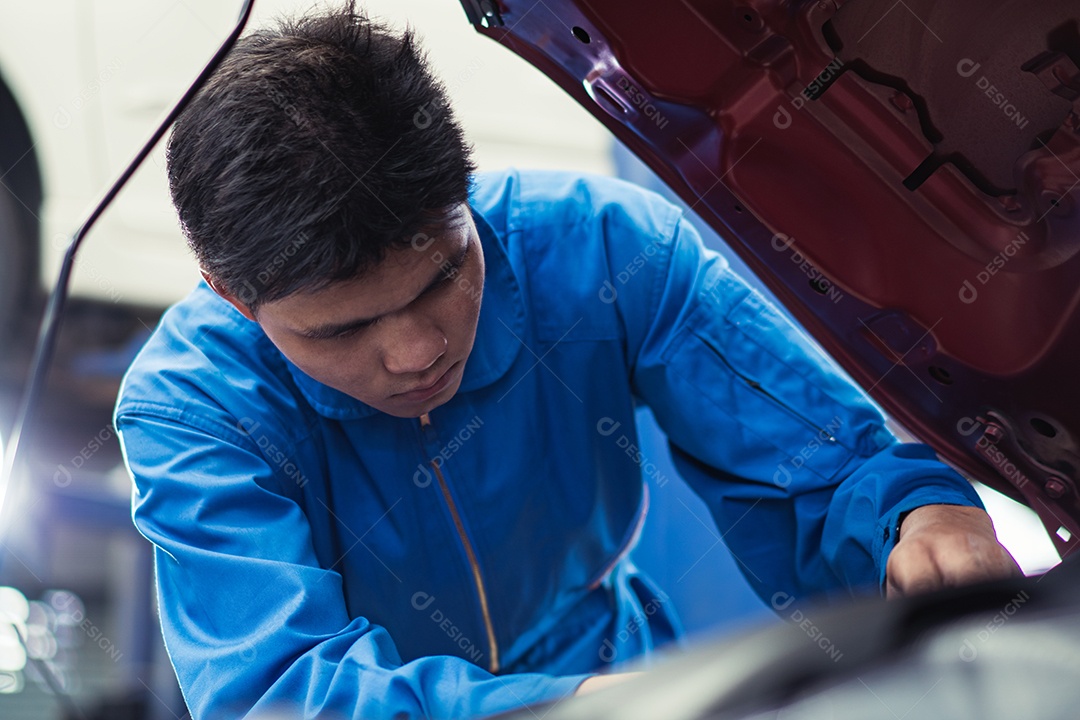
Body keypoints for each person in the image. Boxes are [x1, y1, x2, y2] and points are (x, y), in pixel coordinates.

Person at [114, 3, 1019, 718]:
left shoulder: (607, 253)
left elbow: (822, 465)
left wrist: (918, 517)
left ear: (463, 189)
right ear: (231, 294)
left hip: (619, 678)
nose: (418, 350)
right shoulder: (195, 411)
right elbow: (283, 693)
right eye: (342, 331)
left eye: (443, 276)